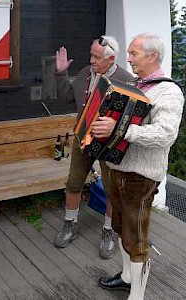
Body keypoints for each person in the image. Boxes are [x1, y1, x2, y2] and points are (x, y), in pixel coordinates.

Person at [96, 33, 184, 299]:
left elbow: (166, 134)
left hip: (141, 176)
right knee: (121, 228)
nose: (129, 58)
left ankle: (137, 296)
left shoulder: (168, 91)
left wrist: (121, 130)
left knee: (137, 239)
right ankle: (126, 277)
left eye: (134, 53)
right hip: (118, 168)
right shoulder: (136, 85)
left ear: (152, 55)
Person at [53, 36, 134, 259]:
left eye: (97, 57)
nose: (92, 60)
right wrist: (60, 74)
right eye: (91, 55)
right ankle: (70, 223)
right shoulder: (85, 73)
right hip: (83, 138)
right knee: (74, 182)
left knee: (111, 188)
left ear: (111, 58)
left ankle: (109, 231)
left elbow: (133, 118)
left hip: (110, 143)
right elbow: (67, 97)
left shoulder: (126, 80)